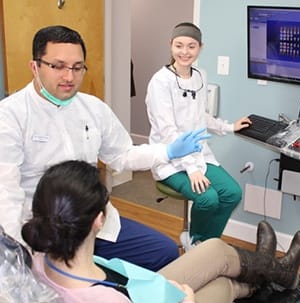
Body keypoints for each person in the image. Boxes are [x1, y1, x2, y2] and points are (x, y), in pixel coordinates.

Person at [0, 25, 210, 271]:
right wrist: (18, 254)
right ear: (35, 67)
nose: (69, 77)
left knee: (164, 252)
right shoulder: (10, 116)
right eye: (57, 66)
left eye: (77, 67)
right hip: (41, 233)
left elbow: (122, 155)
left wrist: (167, 151)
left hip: (95, 224)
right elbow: (6, 192)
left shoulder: (93, 109)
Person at [22, 160, 300, 303]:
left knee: (214, 250)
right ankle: (266, 279)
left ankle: (277, 271)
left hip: (140, 292)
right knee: (221, 285)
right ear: (99, 220)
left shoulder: (41, 256)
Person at [145, 22, 252, 249]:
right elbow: (168, 132)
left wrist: (230, 126)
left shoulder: (200, 76)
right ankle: (195, 242)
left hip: (198, 153)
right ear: (170, 46)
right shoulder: (160, 81)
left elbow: (200, 116)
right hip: (170, 159)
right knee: (208, 198)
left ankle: (206, 243)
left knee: (232, 193)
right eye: (179, 45)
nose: (185, 52)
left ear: (200, 48)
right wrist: (191, 169)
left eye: (191, 46)